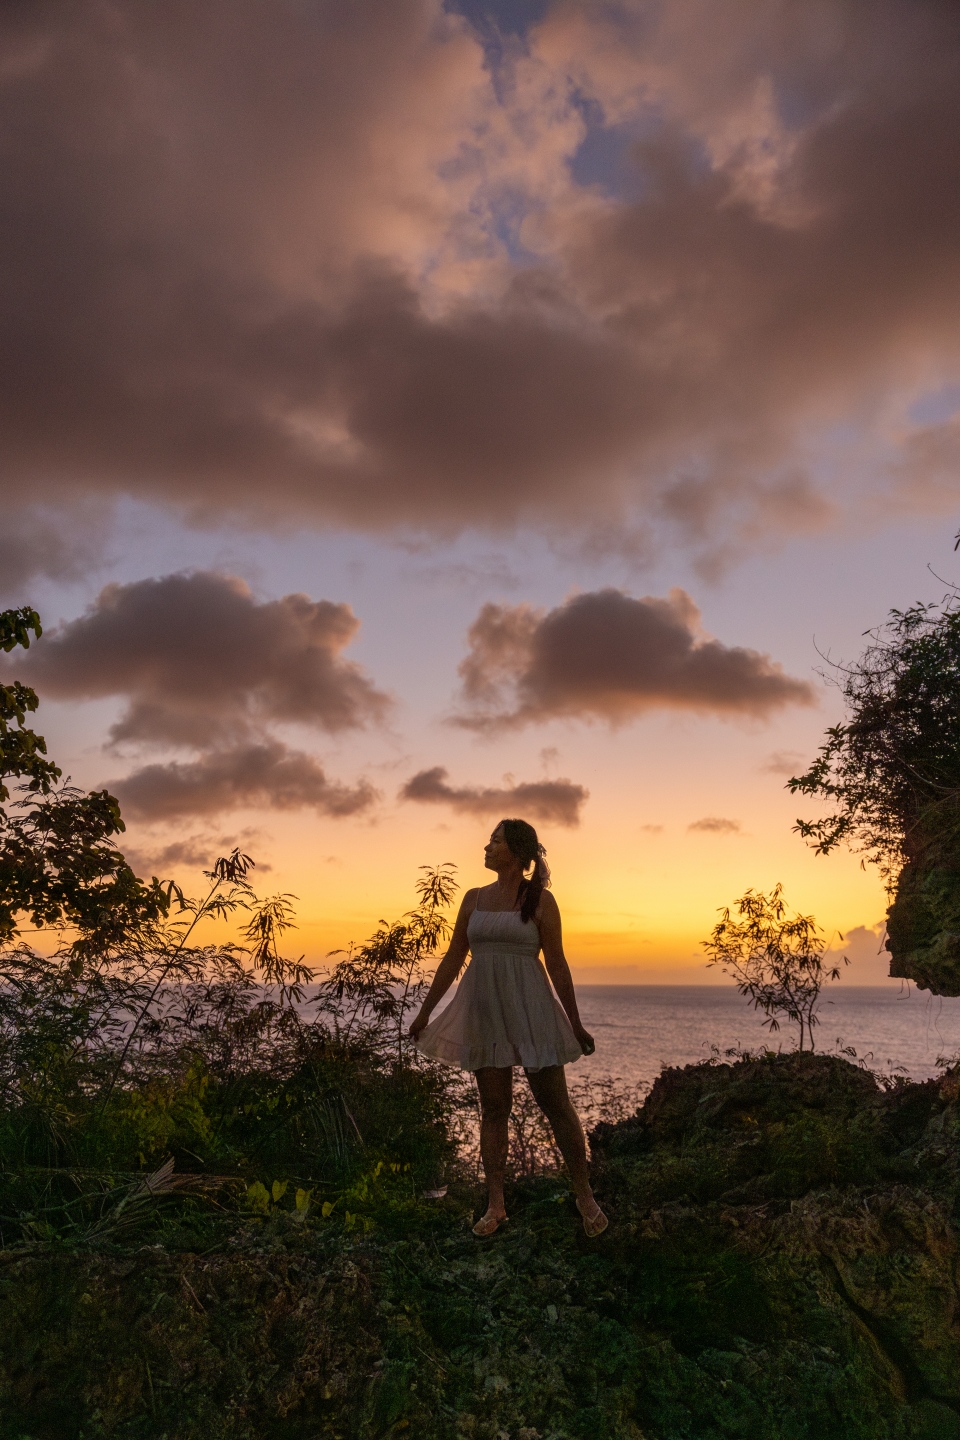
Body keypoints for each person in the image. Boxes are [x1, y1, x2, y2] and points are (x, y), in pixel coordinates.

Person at [409, 818, 608, 1238]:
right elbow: (452, 959)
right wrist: (426, 1012)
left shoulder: (539, 899)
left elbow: (556, 963)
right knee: (495, 1106)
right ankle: (495, 1204)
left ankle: (584, 1194)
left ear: (515, 852)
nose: (486, 846)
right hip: (485, 1009)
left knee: (554, 1102)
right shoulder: (473, 898)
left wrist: (575, 1023)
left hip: (530, 1008)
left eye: (494, 841)